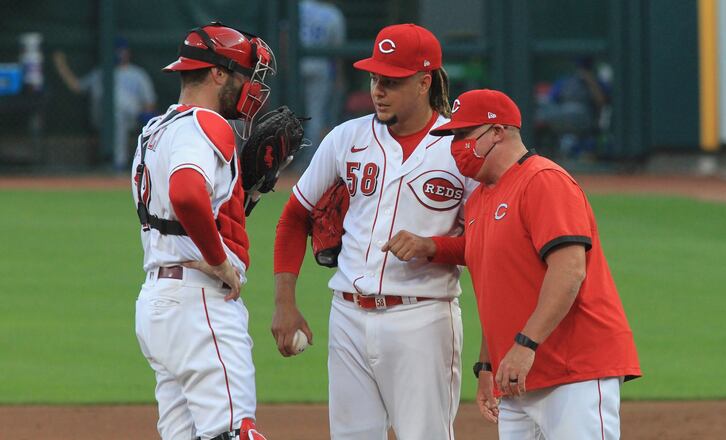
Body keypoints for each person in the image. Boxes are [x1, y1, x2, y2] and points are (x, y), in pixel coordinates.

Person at [391, 89, 641, 439]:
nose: (456, 146)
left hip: (573, 371)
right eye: (452, 137)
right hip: (517, 377)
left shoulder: (544, 181)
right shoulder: (479, 200)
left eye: (464, 135)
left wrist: (526, 345)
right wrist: (486, 365)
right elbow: (495, 281)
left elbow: (569, 271)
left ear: (498, 131)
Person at [271, 23, 475, 439]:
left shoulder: (460, 150)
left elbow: (489, 245)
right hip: (347, 315)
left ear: (424, 82)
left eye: (392, 81)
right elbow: (295, 216)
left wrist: (434, 247)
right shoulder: (347, 137)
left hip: (422, 318)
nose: (378, 89)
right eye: (375, 77)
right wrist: (284, 302)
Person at [130, 23, 276, 440]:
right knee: (236, 432)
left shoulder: (154, 131)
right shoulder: (206, 125)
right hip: (198, 305)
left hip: (158, 306)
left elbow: (188, 208)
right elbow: (188, 196)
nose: (251, 88)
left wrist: (241, 198)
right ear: (218, 74)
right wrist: (219, 260)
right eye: (245, 76)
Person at [53, 37, 157, 171]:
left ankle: (119, 163)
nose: (120, 54)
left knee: (119, 113)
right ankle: (119, 162)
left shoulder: (137, 74)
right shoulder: (101, 73)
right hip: (103, 118)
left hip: (131, 119)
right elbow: (76, 86)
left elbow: (150, 103)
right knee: (115, 104)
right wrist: (60, 64)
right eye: (117, 51)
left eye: (122, 51)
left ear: (128, 52)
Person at [295, 0, 346, 169]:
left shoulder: (300, 7)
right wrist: (339, 77)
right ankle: (310, 160)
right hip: (320, 67)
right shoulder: (333, 14)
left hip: (297, 65)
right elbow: (337, 51)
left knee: (291, 112)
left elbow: (284, 35)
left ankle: (292, 157)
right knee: (315, 115)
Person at [535, 56, 610, 159]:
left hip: (586, 121)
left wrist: (590, 81)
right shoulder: (566, 81)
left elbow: (602, 103)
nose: (582, 70)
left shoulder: (597, 82)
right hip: (562, 117)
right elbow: (550, 101)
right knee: (540, 117)